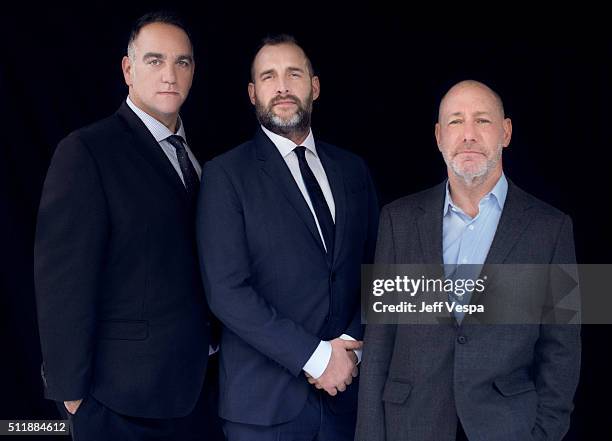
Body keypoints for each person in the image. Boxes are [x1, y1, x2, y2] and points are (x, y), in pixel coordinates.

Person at [355, 80, 581, 441]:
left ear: (505, 132)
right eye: (456, 122)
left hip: (509, 428)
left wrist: (543, 433)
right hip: (411, 426)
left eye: (483, 121)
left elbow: (562, 350)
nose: (469, 135)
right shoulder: (397, 221)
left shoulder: (551, 229)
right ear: (439, 136)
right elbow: (380, 339)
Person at [34, 11, 222, 441]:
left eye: (182, 62)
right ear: (128, 69)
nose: (170, 75)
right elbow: (62, 280)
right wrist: (71, 395)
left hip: (192, 395)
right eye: (155, 61)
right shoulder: (88, 151)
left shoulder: (198, 160)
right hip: (115, 400)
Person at [196, 35, 379, 441]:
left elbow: (377, 266)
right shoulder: (225, 176)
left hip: (348, 402)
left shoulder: (353, 170)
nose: (281, 87)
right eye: (268, 76)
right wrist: (315, 359)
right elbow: (226, 292)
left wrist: (350, 346)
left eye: (293, 74)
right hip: (263, 408)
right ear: (252, 92)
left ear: (314, 86)